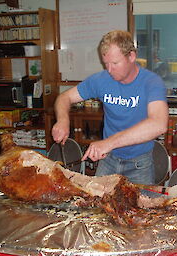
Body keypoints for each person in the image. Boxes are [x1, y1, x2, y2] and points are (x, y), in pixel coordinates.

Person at [51, 30, 168, 185]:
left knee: (140, 208)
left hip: (139, 165)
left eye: (115, 63)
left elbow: (158, 124)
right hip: (108, 160)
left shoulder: (151, 82)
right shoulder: (101, 80)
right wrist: (63, 120)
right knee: (98, 206)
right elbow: (64, 97)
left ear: (131, 56)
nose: (109, 70)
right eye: (106, 64)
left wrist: (108, 143)